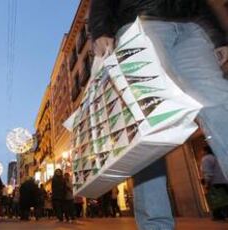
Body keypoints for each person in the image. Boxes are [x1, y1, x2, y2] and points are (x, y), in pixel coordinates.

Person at [89, 0, 228, 229]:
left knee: (221, 105)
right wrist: (101, 29)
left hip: (192, 28)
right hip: (139, 24)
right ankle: (156, 225)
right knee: (149, 126)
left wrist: (218, 37)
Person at [201, 146, 228, 221]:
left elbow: (208, 173)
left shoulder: (206, 159)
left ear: (206, 151)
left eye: (202, 151)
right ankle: (219, 215)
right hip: (223, 181)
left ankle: (218, 216)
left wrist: (207, 183)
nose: (201, 153)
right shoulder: (216, 157)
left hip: (214, 183)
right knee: (224, 200)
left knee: (217, 200)